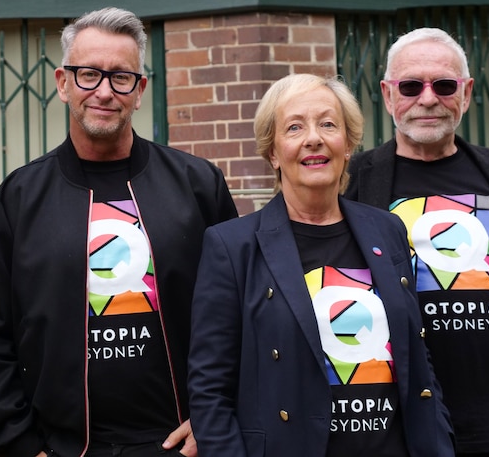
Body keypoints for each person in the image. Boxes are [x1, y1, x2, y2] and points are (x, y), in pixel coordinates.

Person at [0, 7, 237, 457]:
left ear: (140, 90)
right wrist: (20, 443)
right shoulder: (16, 200)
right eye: (88, 74)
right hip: (61, 447)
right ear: (63, 83)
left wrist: (216, 418)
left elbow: (237, 314)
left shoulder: (198, 186)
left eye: (121, 77)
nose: (104, 91)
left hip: (183, 444)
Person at [187, 73, 454, 457]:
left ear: (347, 145)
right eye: (295, 127)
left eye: (328, 124)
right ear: (273, 152)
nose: (314, 138)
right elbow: (210, 389)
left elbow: (416, 354)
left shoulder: (387, 229)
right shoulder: (232, 246)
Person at [344, 27, 489, 457]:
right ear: (388, 96)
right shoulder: (353, 185)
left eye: (444, 85)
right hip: (401, 435)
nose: (428, 99)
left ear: (465, 94)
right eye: (411, 86)